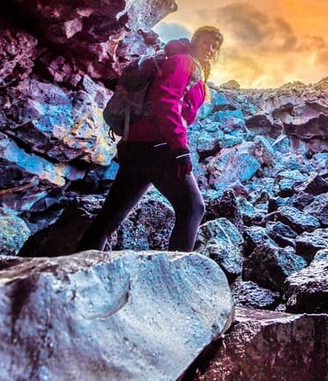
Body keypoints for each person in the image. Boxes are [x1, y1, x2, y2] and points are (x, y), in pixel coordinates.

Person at [79, 26, 223, 252]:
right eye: (206, 42)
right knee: (193, 208)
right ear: (195, 40)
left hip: (136, 148)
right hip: (158, 147)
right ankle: (177, 278)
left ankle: (78, 267)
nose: (210, 49)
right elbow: (166, 101)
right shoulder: (184, 62)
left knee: (110, 217)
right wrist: (179, 148)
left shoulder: (188, 67)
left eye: (215, 46)